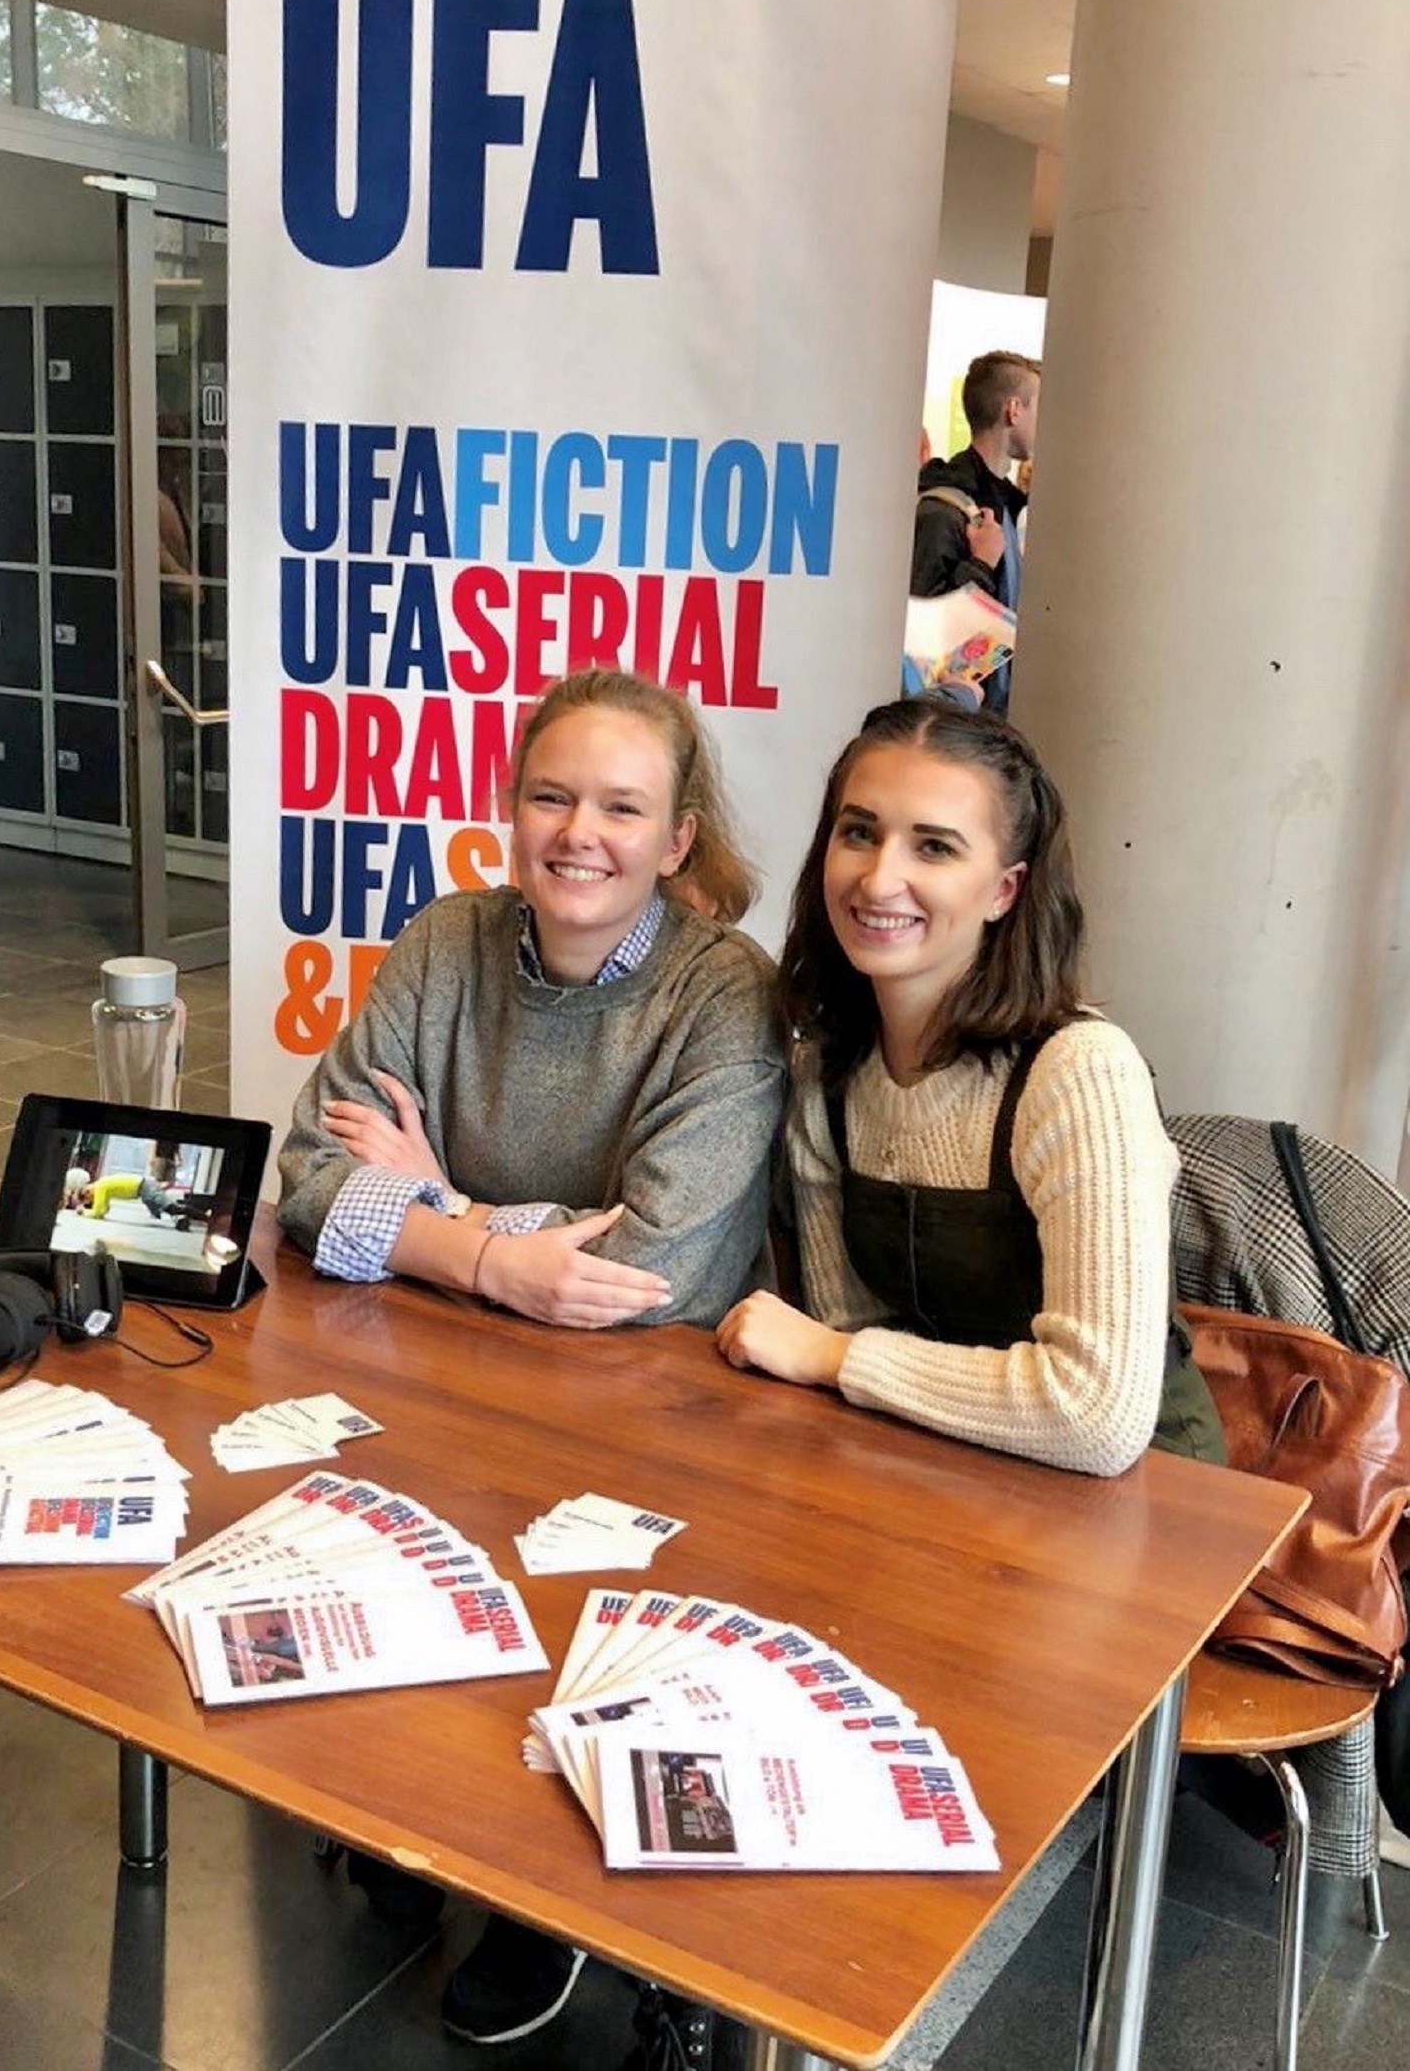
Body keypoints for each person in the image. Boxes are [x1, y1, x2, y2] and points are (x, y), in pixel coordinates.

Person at [277, 667, 783, 2058]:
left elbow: (657, 1269)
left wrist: (430, 1202)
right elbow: (307, 1172)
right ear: (509, 807)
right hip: (442, 1368)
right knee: (391, 1559)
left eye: (624, 807)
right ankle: (419, 1814)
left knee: (574, 1622)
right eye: (552, 795)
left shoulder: (720, 991)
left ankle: (548, 1906)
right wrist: (493, 1251)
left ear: (678, 838)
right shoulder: (444, 942)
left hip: (645, 1413)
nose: (582, 833)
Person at [716, 696, 1225, 1475]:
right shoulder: (825, 1069)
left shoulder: (1080, 1071)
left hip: (1140, 1500)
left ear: (1005, 890)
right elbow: (846, 1332)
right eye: (860, 833)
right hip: (942, 1465)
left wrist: (836, 1358)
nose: (881, 878)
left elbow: (1097, 1416)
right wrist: (838, 1358)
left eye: (935, 848)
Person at [911, 352, 1041, 715]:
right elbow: (927, 643)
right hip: (957, 722)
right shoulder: (943, 509)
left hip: (989, 716)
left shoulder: (1006, 506)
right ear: (1014, 410)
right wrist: (982, 562)